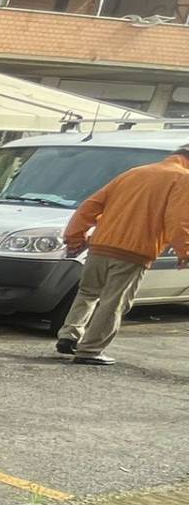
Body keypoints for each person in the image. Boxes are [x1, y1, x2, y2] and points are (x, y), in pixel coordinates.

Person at [56, 142, 189, 365]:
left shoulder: (134, 172)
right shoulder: (183, 178)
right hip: (134, 251)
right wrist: (185, 251)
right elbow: (179, 219)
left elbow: (90, 205)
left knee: (88, 292)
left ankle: (69, 335)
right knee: (113, 302)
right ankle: (90, 350)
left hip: (100, 245)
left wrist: (75, 238)